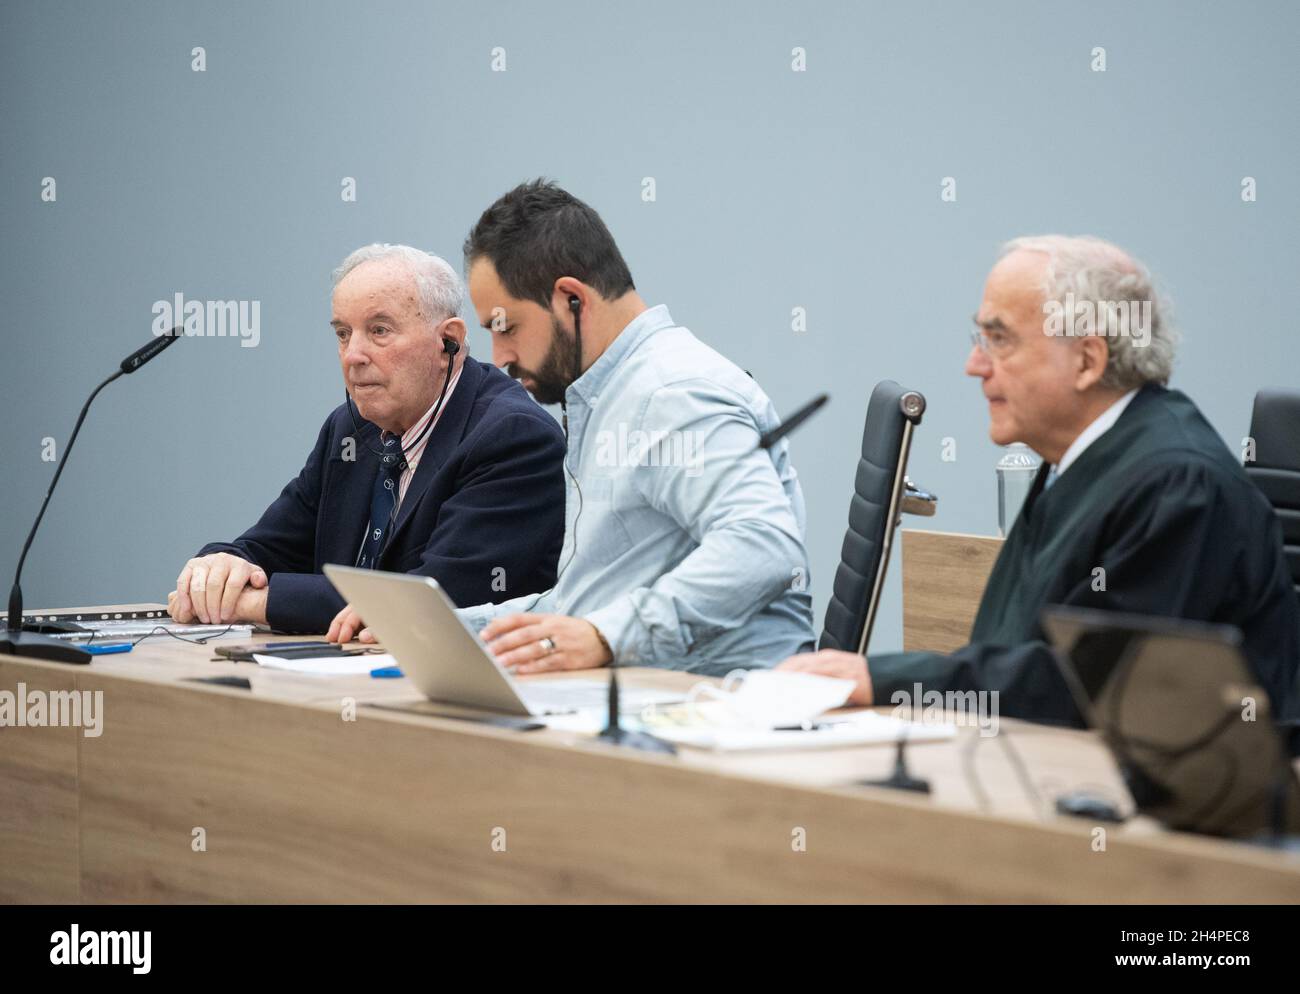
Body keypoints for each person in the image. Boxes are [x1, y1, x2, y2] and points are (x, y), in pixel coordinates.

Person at [780, 235, 1300, 725]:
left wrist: (890, 679)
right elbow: (1025, 659)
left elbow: (1091, 688)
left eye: (999, 339)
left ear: (1087, 360)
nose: (973, 366)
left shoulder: (1178, 484)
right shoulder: (1074, 458)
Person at [356, 179, 815, 676]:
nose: (499, 356)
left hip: (712, 713)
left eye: (506, 326)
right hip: (650, 696)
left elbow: (763, 546)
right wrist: (436, 625)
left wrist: (605, 636)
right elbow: (578, 608)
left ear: (571, 299)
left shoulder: (671, 393)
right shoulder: (611, 396)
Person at [167, 243, 566, 633]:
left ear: (449, 343)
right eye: (343, 333)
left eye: (379, 331)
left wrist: (253, 603)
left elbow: (433, 600)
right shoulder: (349, 431)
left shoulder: (512, 438)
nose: (352, 355)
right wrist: (219, 567)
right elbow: (272, 547)